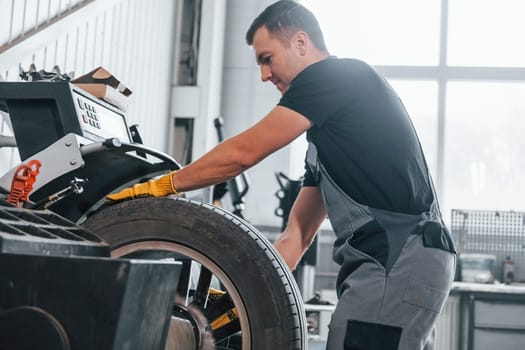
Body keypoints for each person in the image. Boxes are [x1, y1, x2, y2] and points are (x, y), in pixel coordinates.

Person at [107, 1, 456, 349]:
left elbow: (245, 153)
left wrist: (164, 185)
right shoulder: (328, 142)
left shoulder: (336, 76)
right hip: (395, 262)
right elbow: (298, 234)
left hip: (398, 260)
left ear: (300, 43)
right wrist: (238, 298)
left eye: (267, 58)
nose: (263, 75)